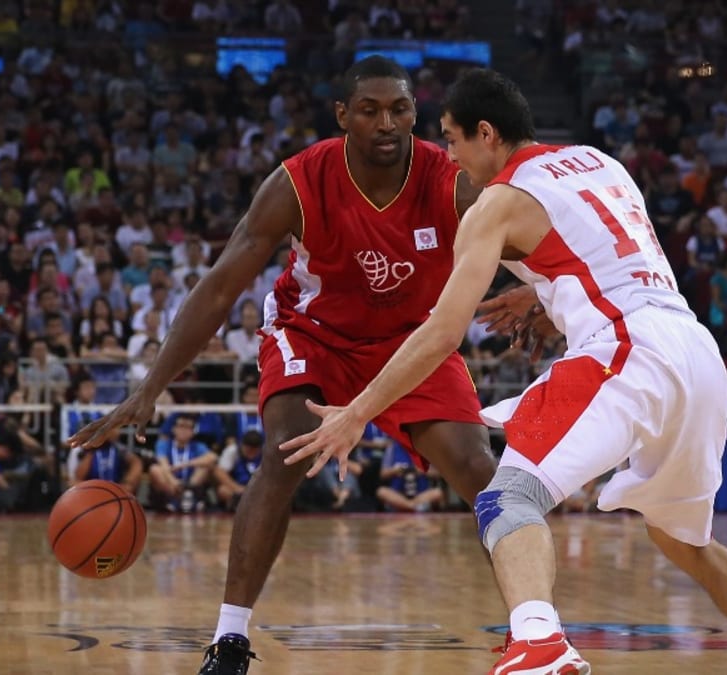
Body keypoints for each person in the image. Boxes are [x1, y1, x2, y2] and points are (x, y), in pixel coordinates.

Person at [279, 69, 727, 675]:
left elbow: (442, 333)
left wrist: (355, 413)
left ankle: (541, 643)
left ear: (487, 133)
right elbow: (604, 251)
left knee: (506, 496)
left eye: (451, 138)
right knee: (687, 543)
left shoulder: (495, 204)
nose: (447, 154)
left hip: (629, 351)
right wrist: (543, 296)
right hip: (696, 354)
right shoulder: (597, 160)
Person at [67, 56, 498, 674]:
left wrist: (540, 293)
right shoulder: (298, 182)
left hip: (412, 344)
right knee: (284, 450)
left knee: (482, 471)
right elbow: (220, 287)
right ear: (343, 117)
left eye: (399, 109)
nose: (387, 123)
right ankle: (231, 639)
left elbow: (531, 237)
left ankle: (534, 629)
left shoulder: (452, 179)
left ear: (413, 114)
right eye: (370, 110)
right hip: (314, 335)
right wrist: (152, 385)